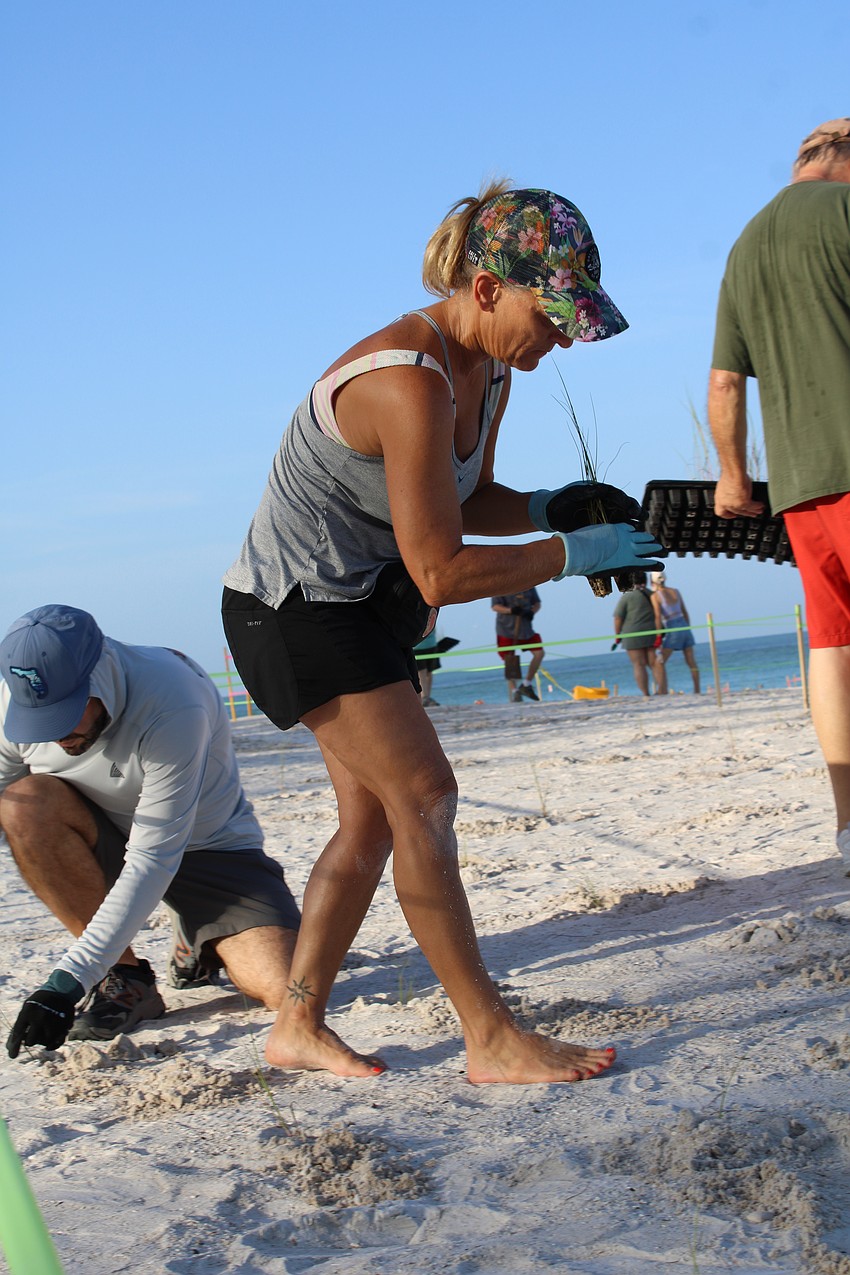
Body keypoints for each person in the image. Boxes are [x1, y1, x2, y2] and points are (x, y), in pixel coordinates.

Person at [221, 182, 663, 1084]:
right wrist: (572, 552)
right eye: (554, 314)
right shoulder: (402, 378)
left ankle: (297, 1023)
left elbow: (463, 500)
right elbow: (443, 572)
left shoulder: (490, 367)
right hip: (292, 607)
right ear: (489, 287)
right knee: (425, 794)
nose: (564, 338)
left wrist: (547, 506)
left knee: (374, 823)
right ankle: (488, 1033)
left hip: (357, 602)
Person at [1, 605, 301, 1058]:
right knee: (23, 807)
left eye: (67, 711)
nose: (55, 733)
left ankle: (194, 934)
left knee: (287, 986)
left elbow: (153, 857)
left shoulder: (172, 698)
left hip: (205, 848)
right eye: (42, 717)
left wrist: (65, 983)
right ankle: (128, 978)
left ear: (98, 673)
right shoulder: (19, 700)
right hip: (99, 833)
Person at [708, 117, 850, 876]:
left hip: (799, 492)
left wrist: (733, 477)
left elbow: (726, 381)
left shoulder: (746, 244)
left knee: (832, 650)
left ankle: (847, 824)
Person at [612, 573, 667, 696]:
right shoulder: (652, 594)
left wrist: (617, 634)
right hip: (652, 632)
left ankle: (646, 693)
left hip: (632, 635)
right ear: (646, 580)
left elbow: (617, 618)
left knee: (638, 665)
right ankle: (661, 691)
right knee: (654, 663)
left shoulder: (627, 596)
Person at [650, 571, 700, 694]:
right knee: (691, 660)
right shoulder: (675, 591)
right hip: (684, 625)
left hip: (672, 626)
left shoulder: (655, 596)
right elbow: (685, 612)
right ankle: (697, 689)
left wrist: (658, 636)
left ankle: (661, 690)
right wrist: (687, 628)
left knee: (659, 661)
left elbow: (657, 616)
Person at [492, 589, 544, 701]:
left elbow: (537, 603)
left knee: (539, 653)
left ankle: (526, 684)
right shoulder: (501, 586)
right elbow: (495, 606)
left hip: (525, 628)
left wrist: (532, 612)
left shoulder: (530, 584)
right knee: (509, 660)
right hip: (506, 629)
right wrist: (511, 610)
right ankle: (515, 691)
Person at [413, 628, 459, 707]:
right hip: (420, 646)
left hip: (430, 644)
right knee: (423, 672)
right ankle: (425, 697)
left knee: (427, 672)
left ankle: (426, 697)